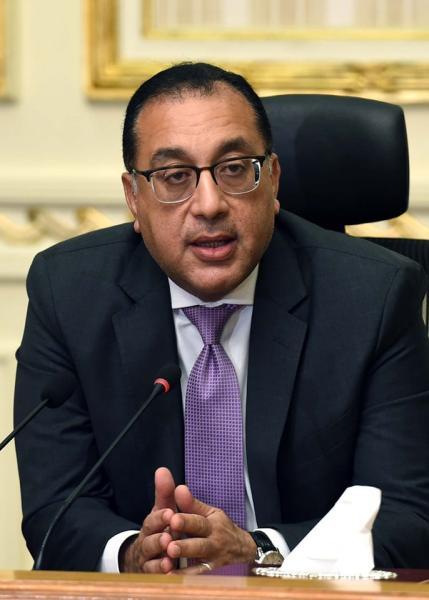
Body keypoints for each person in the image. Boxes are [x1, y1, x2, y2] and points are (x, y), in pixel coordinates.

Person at [14, 62, 429, 573]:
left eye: (234, 169)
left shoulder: (374, 297)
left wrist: (257, 551)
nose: (209, 205)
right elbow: (54, 509)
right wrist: (132, 553)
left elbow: (409, 518)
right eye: (174, 177)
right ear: (133, 198)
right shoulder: (69, 292)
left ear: (272, 180)